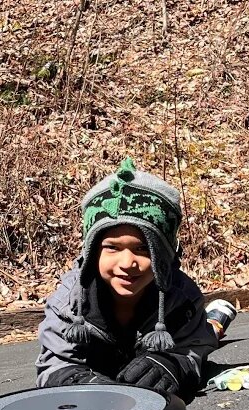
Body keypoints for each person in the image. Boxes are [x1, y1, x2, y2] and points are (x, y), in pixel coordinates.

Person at [35, 158, 228, 397]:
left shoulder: (183, 298)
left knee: (209, 333)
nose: (127, 264)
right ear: (92, 253)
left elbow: (194, 348)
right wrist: (77, 381)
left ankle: (217, 320)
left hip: (185, 328)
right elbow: (53, 364)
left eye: (143, 249)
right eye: (112, 248)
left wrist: (172, 365)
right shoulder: (68, 302)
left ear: (164, 257)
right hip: (100, 371)